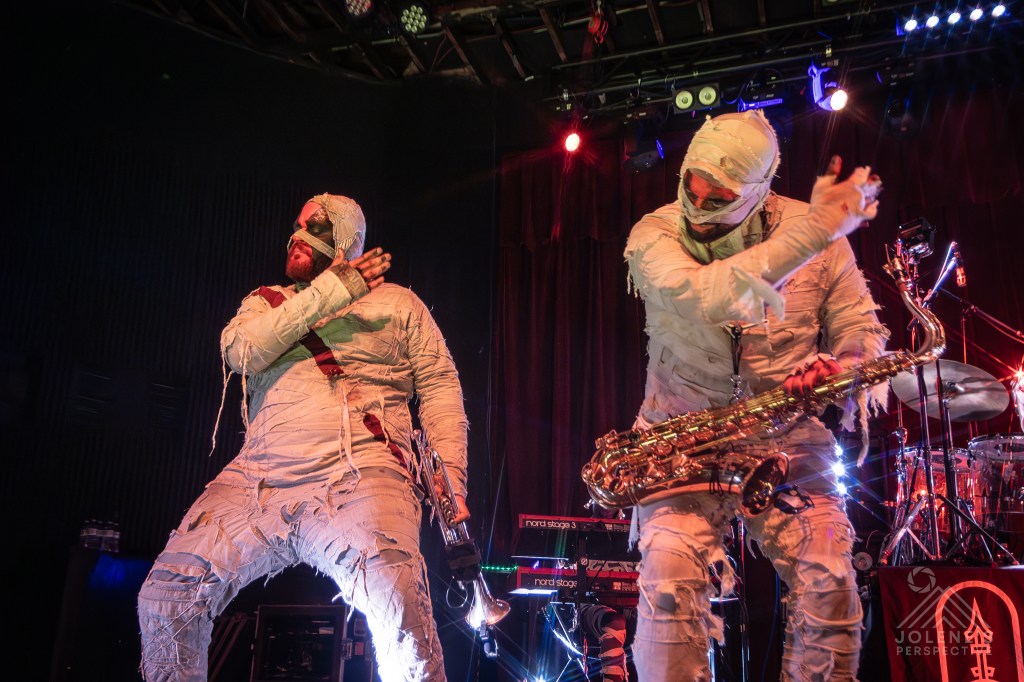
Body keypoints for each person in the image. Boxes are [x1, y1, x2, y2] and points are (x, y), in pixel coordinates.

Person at [137, 193, 470, 682]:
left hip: (363, 469)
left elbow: (440, 387)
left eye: (314, 228)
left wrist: (450, 480)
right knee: (166, 598)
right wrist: (332, 291)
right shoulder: (265, 302)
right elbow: (241, 352)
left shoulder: (399, 303)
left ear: (346, 241)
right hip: (259, 476)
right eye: (296, 225)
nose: (296, 235)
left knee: (400, 612)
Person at [622, 110, 889, 681]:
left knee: (832, 587)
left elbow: (860, 330)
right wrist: (809, 237)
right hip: (677, 439)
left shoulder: (819, 236)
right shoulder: (653, 233)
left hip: (787, 434)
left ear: (760, 189)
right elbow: (709, 297)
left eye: (718, 196)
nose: (699, 205)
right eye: (691, 186)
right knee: (667, 591)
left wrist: (839, 367)